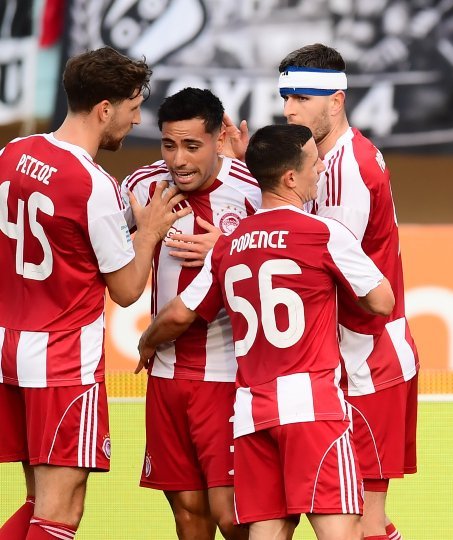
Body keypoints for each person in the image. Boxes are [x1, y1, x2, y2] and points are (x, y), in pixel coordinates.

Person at [137, 123, 395, 540]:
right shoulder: (323, 233)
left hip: (251, 413)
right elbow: (382, 301)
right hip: (313, 409)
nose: (321, 169)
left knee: (266, 532)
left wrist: (146, 342)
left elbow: (179, 314)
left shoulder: (229, 243)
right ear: (291, 177)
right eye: (314, 163)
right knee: (341, 529)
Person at [224, 43, 418, 540]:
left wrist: (233, 246)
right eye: (286, 97)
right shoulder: (326, 162)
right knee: (350, 519)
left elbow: (321, 271)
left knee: (363, 519)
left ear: (336, 100)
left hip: (368, 361)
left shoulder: (347, 171)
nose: (289, 110)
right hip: (343, 364)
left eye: (302, 98)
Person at [0, 46, 190, 539]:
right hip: (63, 360)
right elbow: (126, 290)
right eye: (133, 107)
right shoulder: (93, 183)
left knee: (38, 502)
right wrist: (149, 232)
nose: (137, 119)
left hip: (10, 348)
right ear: (105, 109)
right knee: (60, 512)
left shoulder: (13, 152)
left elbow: (64, 231)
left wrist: (123, 223)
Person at [122, 87, 261, 540]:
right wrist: (143, 234)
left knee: (234, 518)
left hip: (228, 377)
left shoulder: (252, 189)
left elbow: (293, 254)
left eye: (191, 146)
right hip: (166, 377)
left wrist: (230, 249)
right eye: (169, 144)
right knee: (187, 515)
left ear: (219, 139)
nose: (178, 160)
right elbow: (95, 244)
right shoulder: (144, 186)